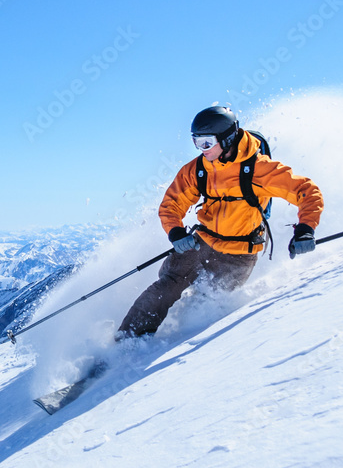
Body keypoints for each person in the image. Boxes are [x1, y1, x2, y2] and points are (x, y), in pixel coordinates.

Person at [117, 105, 324, 339]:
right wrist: (176, 233)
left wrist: (306, 230)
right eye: (196, 143)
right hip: (201, 243)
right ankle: (127, 340)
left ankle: (175, 349)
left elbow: (307, 191)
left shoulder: (259, 169)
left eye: (206, 143)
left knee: (207, 303)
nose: (201, 149)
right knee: (167, 285)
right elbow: (171, 204)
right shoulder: (199, 169)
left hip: (238, 256)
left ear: (226, 139)